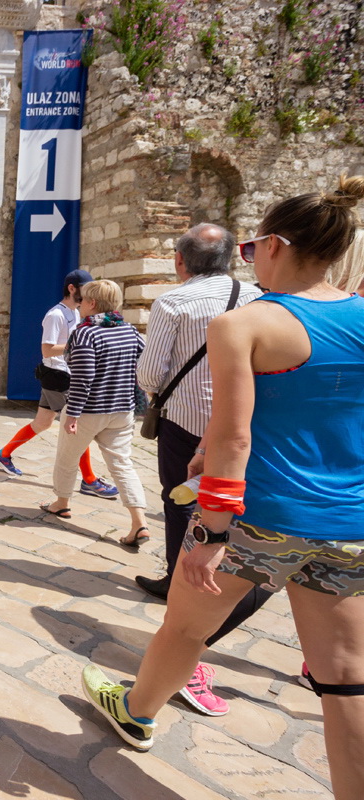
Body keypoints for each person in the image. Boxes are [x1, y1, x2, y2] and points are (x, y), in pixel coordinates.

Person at [81, 176, 364, 800]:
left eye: (253, 245)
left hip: (263, 515)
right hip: (350, 522)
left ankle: (136, 710)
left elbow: (235, 444)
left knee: (185, 628)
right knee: (344, 681)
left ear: (275, 246)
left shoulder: (244, 324)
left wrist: (207, 532)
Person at [132, 223, 265, 713]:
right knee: (228, 513)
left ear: (180, 260)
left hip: (189, 426)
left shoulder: (174, 303)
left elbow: (149, 373)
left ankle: (181, 603)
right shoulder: (257, 297)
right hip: (245, 424)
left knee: (180, 507)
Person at [0, 270, 118, 500]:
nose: (89, 294)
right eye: (85, 288)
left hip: (61, 374)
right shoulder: (56, 315)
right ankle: (89, 479)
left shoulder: (76, 314)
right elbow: (47, 350)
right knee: (76, 427)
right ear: (72, 288)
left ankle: (4, 453)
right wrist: (78, 345)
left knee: (42, 423)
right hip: (57, 376)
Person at [40, 280, 150, 546]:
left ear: (91, 303)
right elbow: (145, 364)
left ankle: (61, 503)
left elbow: (83, 378)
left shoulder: (85, 333)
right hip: (123, 410)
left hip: (89, 410)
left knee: (67, 457)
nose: (79, 305)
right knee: (122, 464)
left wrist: (73, 414)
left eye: (82, 301)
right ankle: (140, 523)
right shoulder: (130, 331)